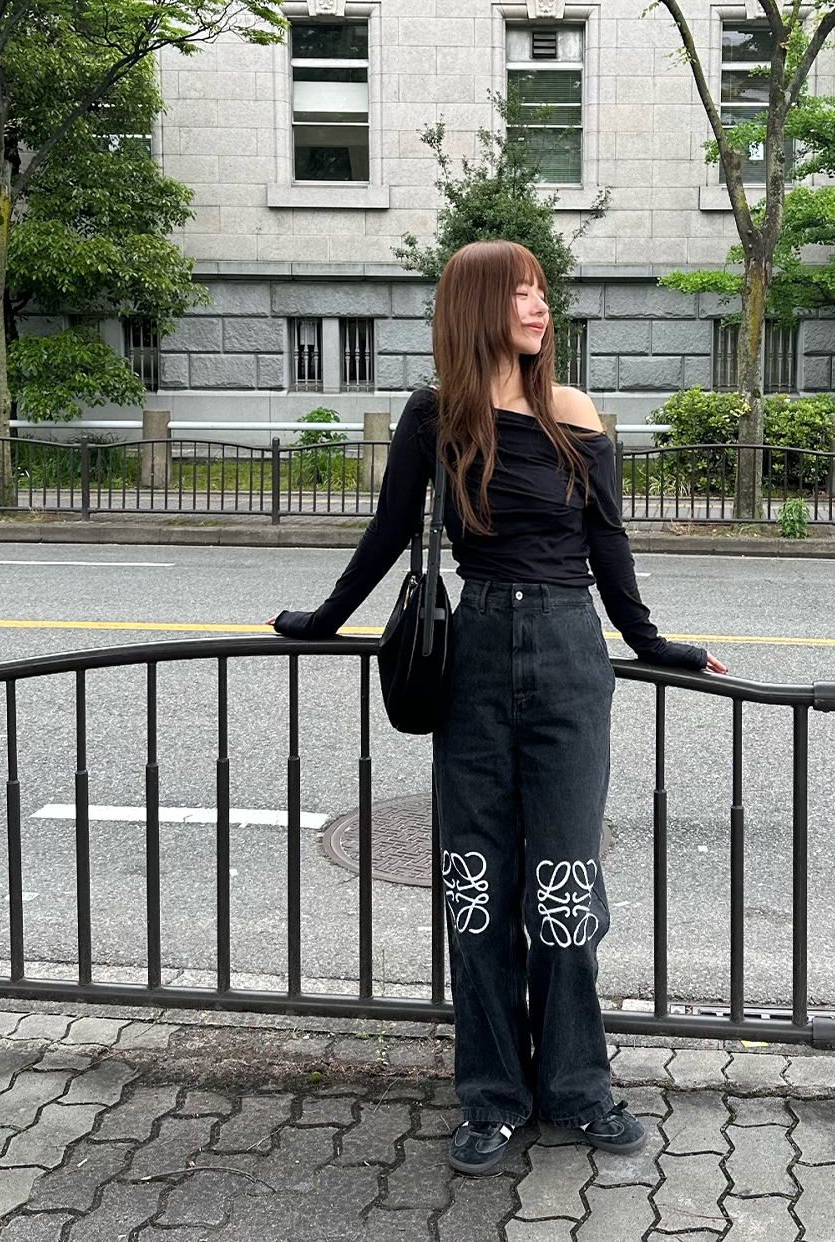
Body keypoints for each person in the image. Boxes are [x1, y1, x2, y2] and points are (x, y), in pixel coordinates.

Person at [271, 239, 727, 1176]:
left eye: (542, 291)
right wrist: (322, 621)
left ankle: (579, 1087)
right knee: (475, 888)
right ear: (478, 305)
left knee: (565, 888)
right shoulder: (436, 414)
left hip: (568, 653)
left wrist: (652, 644)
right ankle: (490, 1095)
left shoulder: (573, 412)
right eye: (521, 292)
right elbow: (389, 532)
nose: (539, 306)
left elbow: (609, 547)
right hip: (473, 654)